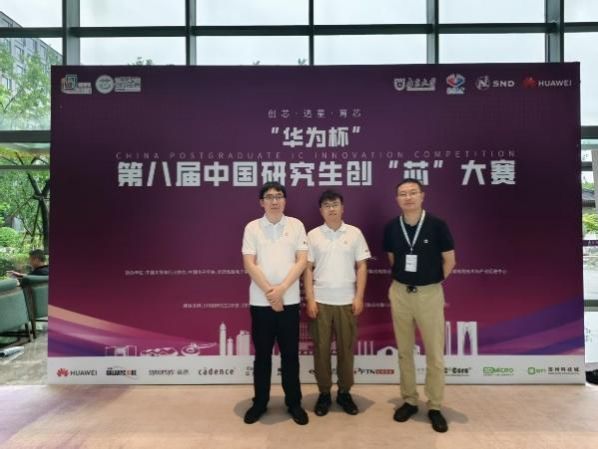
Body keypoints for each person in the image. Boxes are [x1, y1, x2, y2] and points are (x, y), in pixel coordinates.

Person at [383, 178, 456, 433]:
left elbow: (450, 260)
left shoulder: (437, 225)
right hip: (400, 292)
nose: (408, 197)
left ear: (422, 196)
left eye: (413, 192)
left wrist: (431, 281)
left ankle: (434, 405)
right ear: (397, 199)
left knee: (434, 353)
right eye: (403, 194)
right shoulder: (392, 227)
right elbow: (393, 259)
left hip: (429, 294)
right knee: (404, 351)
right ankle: (410, 400)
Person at [241, 181, 309, 425]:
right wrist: (271, 293)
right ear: (262, 202)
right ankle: (260, 402)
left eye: (279, 196)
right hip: (261, 303)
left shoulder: (296, 225)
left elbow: (302, 261)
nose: (274, 201)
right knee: (262, 356)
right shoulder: (252, 228)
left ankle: (294, 403)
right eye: (269, 197)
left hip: (289, 302)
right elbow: (249, 264)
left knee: (290, 355)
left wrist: (281, 290)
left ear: (285, 200)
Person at [303, 190, 370, 417]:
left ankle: (344, 392)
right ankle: (324, 393)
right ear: (321, 210)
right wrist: (310, 299)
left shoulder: (354, 233)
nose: (331, 208)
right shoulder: (313, 235)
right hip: (321, 302)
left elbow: (362, 266)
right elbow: (307, 269)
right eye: (326, 205)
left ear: (343, 208)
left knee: (346, 349)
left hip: (347, 302)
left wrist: (359, 296)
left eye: (335, 204)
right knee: (321, 350)